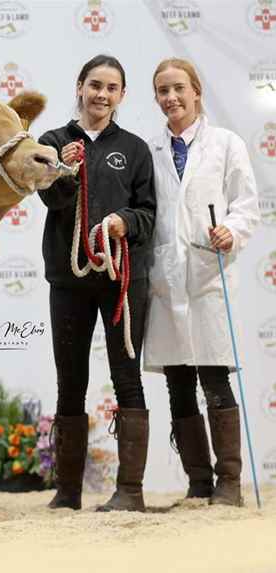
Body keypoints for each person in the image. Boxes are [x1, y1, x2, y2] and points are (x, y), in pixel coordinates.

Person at [37, 54, 156, 512]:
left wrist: (124, 222)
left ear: (122, 95)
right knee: (70, 382)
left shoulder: (136, 148)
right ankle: (67, 493)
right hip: (68, 280)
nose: (102, 94)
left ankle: (131, 492)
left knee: (127, 378)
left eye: (111, 87)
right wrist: (62, 171)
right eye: (95, 85)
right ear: (80, 87)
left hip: (123, 279)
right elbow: (50, 198)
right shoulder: (52, 142)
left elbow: (148, 212)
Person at [144, 58, 260, 506]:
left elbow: (246, 204)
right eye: (162, 91)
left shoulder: (226, 144)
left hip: (208, 275)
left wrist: (232, 230)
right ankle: (198, 482)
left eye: (178, 89)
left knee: (214, 377)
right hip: (167, 278)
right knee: (177, 382)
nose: (170, 98)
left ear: (196, 92)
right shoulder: (150, 149)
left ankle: (228, 483)